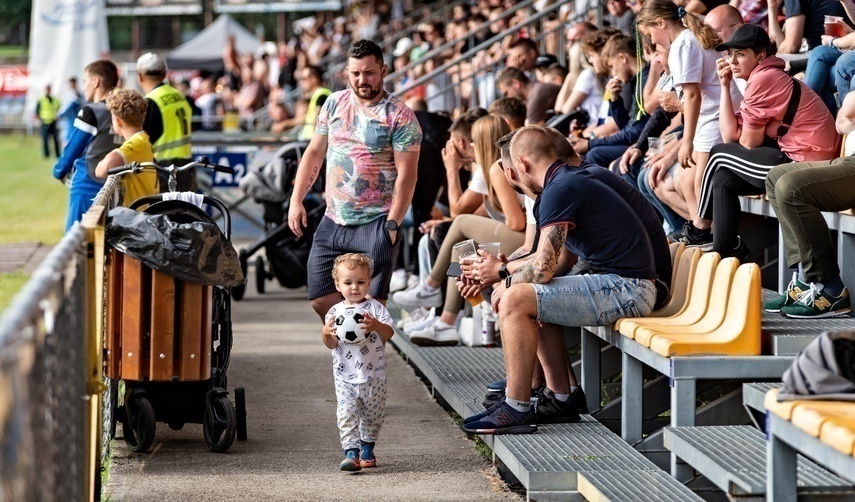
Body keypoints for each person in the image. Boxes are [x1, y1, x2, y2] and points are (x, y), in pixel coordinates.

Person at [460, 126, 657, 434]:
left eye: (512, 172)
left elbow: (543, 269)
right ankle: (562, 397)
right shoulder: (564, 182)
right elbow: (560, 259)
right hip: (626, 285)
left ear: (522, 165)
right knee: (529, 294)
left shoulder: (559, 189)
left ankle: (516, 407)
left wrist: (501, 274)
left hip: (629, 288)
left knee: (517, 298)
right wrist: (502, 270)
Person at [288, 40, 422, 320]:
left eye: (369, 73)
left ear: (383, 70)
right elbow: (313, 153)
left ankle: (367, 362)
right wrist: (296, 200)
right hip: (334, 218)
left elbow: (407, 176)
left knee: (372, 309)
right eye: (355, 73)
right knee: (319, 296)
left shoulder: (399, 114)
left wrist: (393, 225)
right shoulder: (333, 103)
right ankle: (349, 352)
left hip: (377, 220)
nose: (362, 80)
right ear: (346, 73)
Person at [695, 24, 838, 258]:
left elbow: (748, 142)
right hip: (798, 156)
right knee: (723, 179)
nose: (732, 61)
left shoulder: (765, 78)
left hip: (809, 163)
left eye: (740, 54)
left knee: (719, 154)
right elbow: (732, 135)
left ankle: (699, 228)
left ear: (761, 56)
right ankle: (725, 253)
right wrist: (724, 86)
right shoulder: (763, 76)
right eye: (730, 54)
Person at [395, 115, 526, 346]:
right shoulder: (491, 169)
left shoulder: (497, 168)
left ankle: (431, 286)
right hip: (517, 238)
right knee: (461, 247)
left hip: (524, 241)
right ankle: (447, 322)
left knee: (461, 224)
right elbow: (487, 213)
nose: (469, 147)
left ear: (481, 143)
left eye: (473, 142)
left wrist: (451, 169)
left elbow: (515, 222)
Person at [636, 0, 724, 249]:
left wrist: (687, 141)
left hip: (713, 120)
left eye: (650, 33)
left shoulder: (682, 44)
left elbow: (692, 96)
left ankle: (713, 239)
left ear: (661, 23)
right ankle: (706, 235)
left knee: (699, 184)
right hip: (712, 117)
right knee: (691, 182)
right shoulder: (687, 39)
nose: (652, 42)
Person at [763, 90, 855, 319]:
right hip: (847, 160)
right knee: (775, 178)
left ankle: (830, 289)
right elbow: (841, 123)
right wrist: (847, 114)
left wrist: (847, 112)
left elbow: (849, 109)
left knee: (791, 188)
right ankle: (806, 281)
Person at [321, 253, 395, 471]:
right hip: (345, 376)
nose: (355, 287)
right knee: (346, 413)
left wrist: (375, 326)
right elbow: (331, 343)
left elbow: (389, 333)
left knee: (373, 416)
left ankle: (367, 447)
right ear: (337, 284)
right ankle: (350, 452)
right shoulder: (334, 313)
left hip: (375, 376)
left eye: (360, 282)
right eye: (348, 282)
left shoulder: (375, 310)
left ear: (369, 282)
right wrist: (325, 332)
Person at [53, 60, 121, 231]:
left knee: (77, 244)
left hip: (88, 185)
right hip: (119, 188)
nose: (84, 87)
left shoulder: (92, 111)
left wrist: (58, 171)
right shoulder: (125, 111)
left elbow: (72, 150)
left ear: (96, 81)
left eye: (85, 81)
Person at [137, 52, 195, 192]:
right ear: (164, 74)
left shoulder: (150, 101)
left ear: (139, 76)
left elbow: (145, 138)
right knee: (184, 211)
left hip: (162, 169)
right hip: (185, 165)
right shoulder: (179, 95)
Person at [94, 89, 159, 206]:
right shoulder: (143, 139)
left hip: (136, 215)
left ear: (117, 121)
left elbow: (101, 170)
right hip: (142, 212)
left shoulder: (135, 144)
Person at [495, 67, 562, 126]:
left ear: (516, 84)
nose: (507, 97)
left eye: (506, 93)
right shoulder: (535, 91)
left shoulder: (536, 95)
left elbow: (532, 135)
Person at [36, 85, 62, 158]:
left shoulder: (54, 100)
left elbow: (60, 108)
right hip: (45, 122)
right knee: (45, 140)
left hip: (53, 121)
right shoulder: (41, 100)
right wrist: (41, 118)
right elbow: (37, 111)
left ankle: (58, 154)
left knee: (56, 139)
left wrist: (58, 116)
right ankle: (46, 154)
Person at [59, 77, 84, 144]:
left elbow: (70, 106)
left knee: (70, 136)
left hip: (73, 118)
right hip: (70, 118)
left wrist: (60, 114)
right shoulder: (73, 93)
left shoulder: (76, 94)